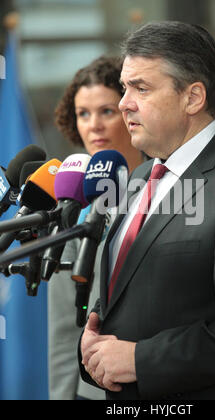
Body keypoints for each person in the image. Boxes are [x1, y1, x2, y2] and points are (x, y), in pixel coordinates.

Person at [79, 21, 215, 400]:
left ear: (193, 97)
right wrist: (93, 338)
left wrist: (140, 359)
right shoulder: (142, 175)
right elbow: (131, 283)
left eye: (141, 88)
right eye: (125, 86)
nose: (123, 102)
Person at [48, 56, 144, 400]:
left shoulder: (171, 189)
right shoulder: (71, 205)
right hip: (91, 393)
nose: (94, 126)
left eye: (106, 111)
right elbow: (63, 329)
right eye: (83, 114)